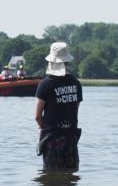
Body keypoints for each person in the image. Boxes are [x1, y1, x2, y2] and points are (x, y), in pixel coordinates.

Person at [34, 42, 83, 171]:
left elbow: (37, 116)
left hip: (52, 139)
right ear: (67, 62)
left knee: (51, 178)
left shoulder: (45, 84)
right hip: (71, 138)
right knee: (70, 176)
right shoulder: (76, 83)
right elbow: (74, 109)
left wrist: (42, 127)